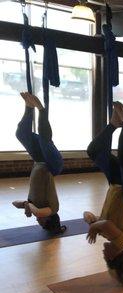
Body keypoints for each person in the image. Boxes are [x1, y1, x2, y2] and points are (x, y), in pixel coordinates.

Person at [84, 102, 123, 287]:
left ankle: (113, 124)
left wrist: (89, 218)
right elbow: (106, 223)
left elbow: (97, 218)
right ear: (115, 256)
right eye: (107, 258)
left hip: (116, 183)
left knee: (94, 151)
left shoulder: (108, 236)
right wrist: (94, 226)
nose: (103, 255)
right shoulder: (122, 242)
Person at [12, 92, 65, 234]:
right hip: (53, 166)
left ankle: (29, 107)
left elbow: (15, 203)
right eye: (42, 224)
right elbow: (38, 212)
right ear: (49, 220)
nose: (38, 221)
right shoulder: (53, 209)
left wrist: (24, 204)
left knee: (21, 134)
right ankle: (41, 108)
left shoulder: (33, 203)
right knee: (44, 139)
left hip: (40, 161)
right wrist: (28, 206)